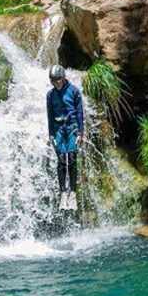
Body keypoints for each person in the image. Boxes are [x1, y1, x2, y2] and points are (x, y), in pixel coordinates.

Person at [46, 64, 84, 211]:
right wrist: (50, 135)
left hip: (72, 128)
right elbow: (49, 115)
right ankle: (63, 194)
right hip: (58, 130)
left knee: (72, 159)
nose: (57, 84)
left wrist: (80, 132)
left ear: (64, 78)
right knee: (62, 161)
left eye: (59, 81)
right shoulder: (50, 95)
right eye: (54, 82)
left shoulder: (74, 92)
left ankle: (73, 193)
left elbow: (80, 113)